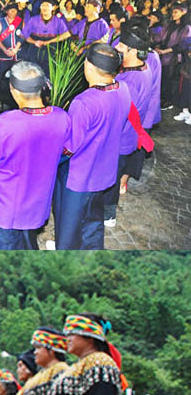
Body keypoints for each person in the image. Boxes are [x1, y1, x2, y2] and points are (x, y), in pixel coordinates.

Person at [0, 61, 70, 250]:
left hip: (6, 209)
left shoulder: (6, 124)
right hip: (36, 205)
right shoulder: (62, 117)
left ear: (14, 91)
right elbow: (66, 151)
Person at [54, 44, 134, 249]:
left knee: (68, 231)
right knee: (93, 224)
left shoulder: (84, 102)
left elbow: (69, 147)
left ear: (88, 66)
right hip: (105, 172)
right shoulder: (123, 89)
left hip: (79, 178)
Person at [105, 20, 156, 222]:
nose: (116, 48)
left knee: (110, 179)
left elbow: (120, 113)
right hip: (126, 137)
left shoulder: (131, 81)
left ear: (133, 51)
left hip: (120, 139)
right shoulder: (143, 68)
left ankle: (108, 216)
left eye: (121, 47)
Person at [0, 3, 25, 111]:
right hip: (2, 55)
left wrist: (16, 49)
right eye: (11, 10)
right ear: (6, 11)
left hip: (16, 54)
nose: (13, 13)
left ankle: (13, 99)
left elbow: (23, 36)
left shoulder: (20, 21)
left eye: (15, 11)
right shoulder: (0, 22)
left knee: (16, 77)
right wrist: (5, 50)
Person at [22, 0, 70, 73]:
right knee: (33, 72)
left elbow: (66, 34)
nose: (45, 7)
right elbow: (24, 34)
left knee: (50, 72)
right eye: (42, 5)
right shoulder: (33, 20)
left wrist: (51, 41)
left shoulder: (58, 21)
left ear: (53, 8)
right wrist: (34, 42)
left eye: (47, 5)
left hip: (51, 49)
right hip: (35, 49)